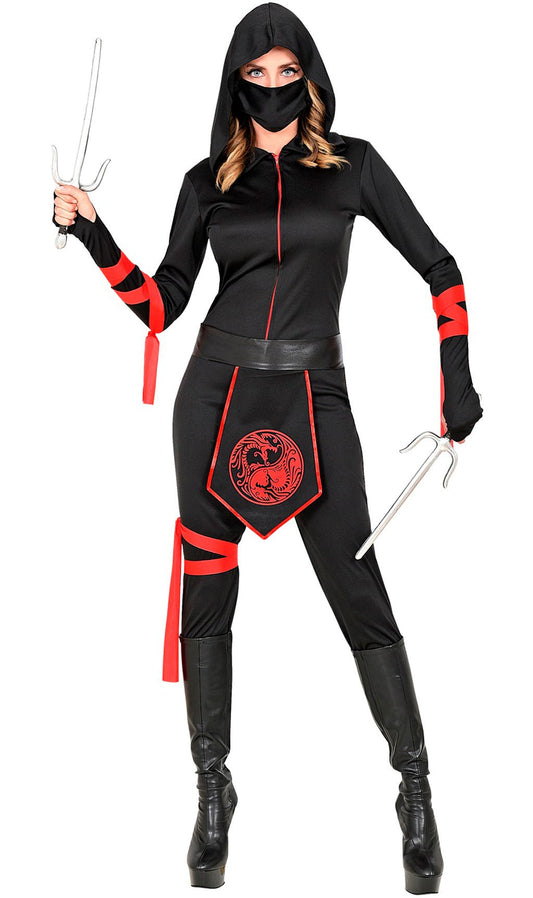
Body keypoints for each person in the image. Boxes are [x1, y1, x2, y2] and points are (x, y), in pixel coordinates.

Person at [53, 3, 482, 893]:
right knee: (207, 588)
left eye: (289, 73)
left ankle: (415, 791)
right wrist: (95, 233)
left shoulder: (354, 166)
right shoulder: (206, 181)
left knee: (357, 587)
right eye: (258, 74)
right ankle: (212, 791)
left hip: (315, 398)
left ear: (310, 78)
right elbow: (162, 306)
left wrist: (456, 377)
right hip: (215, 400)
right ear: (235, 82)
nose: (274, 87)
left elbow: (440, 268)